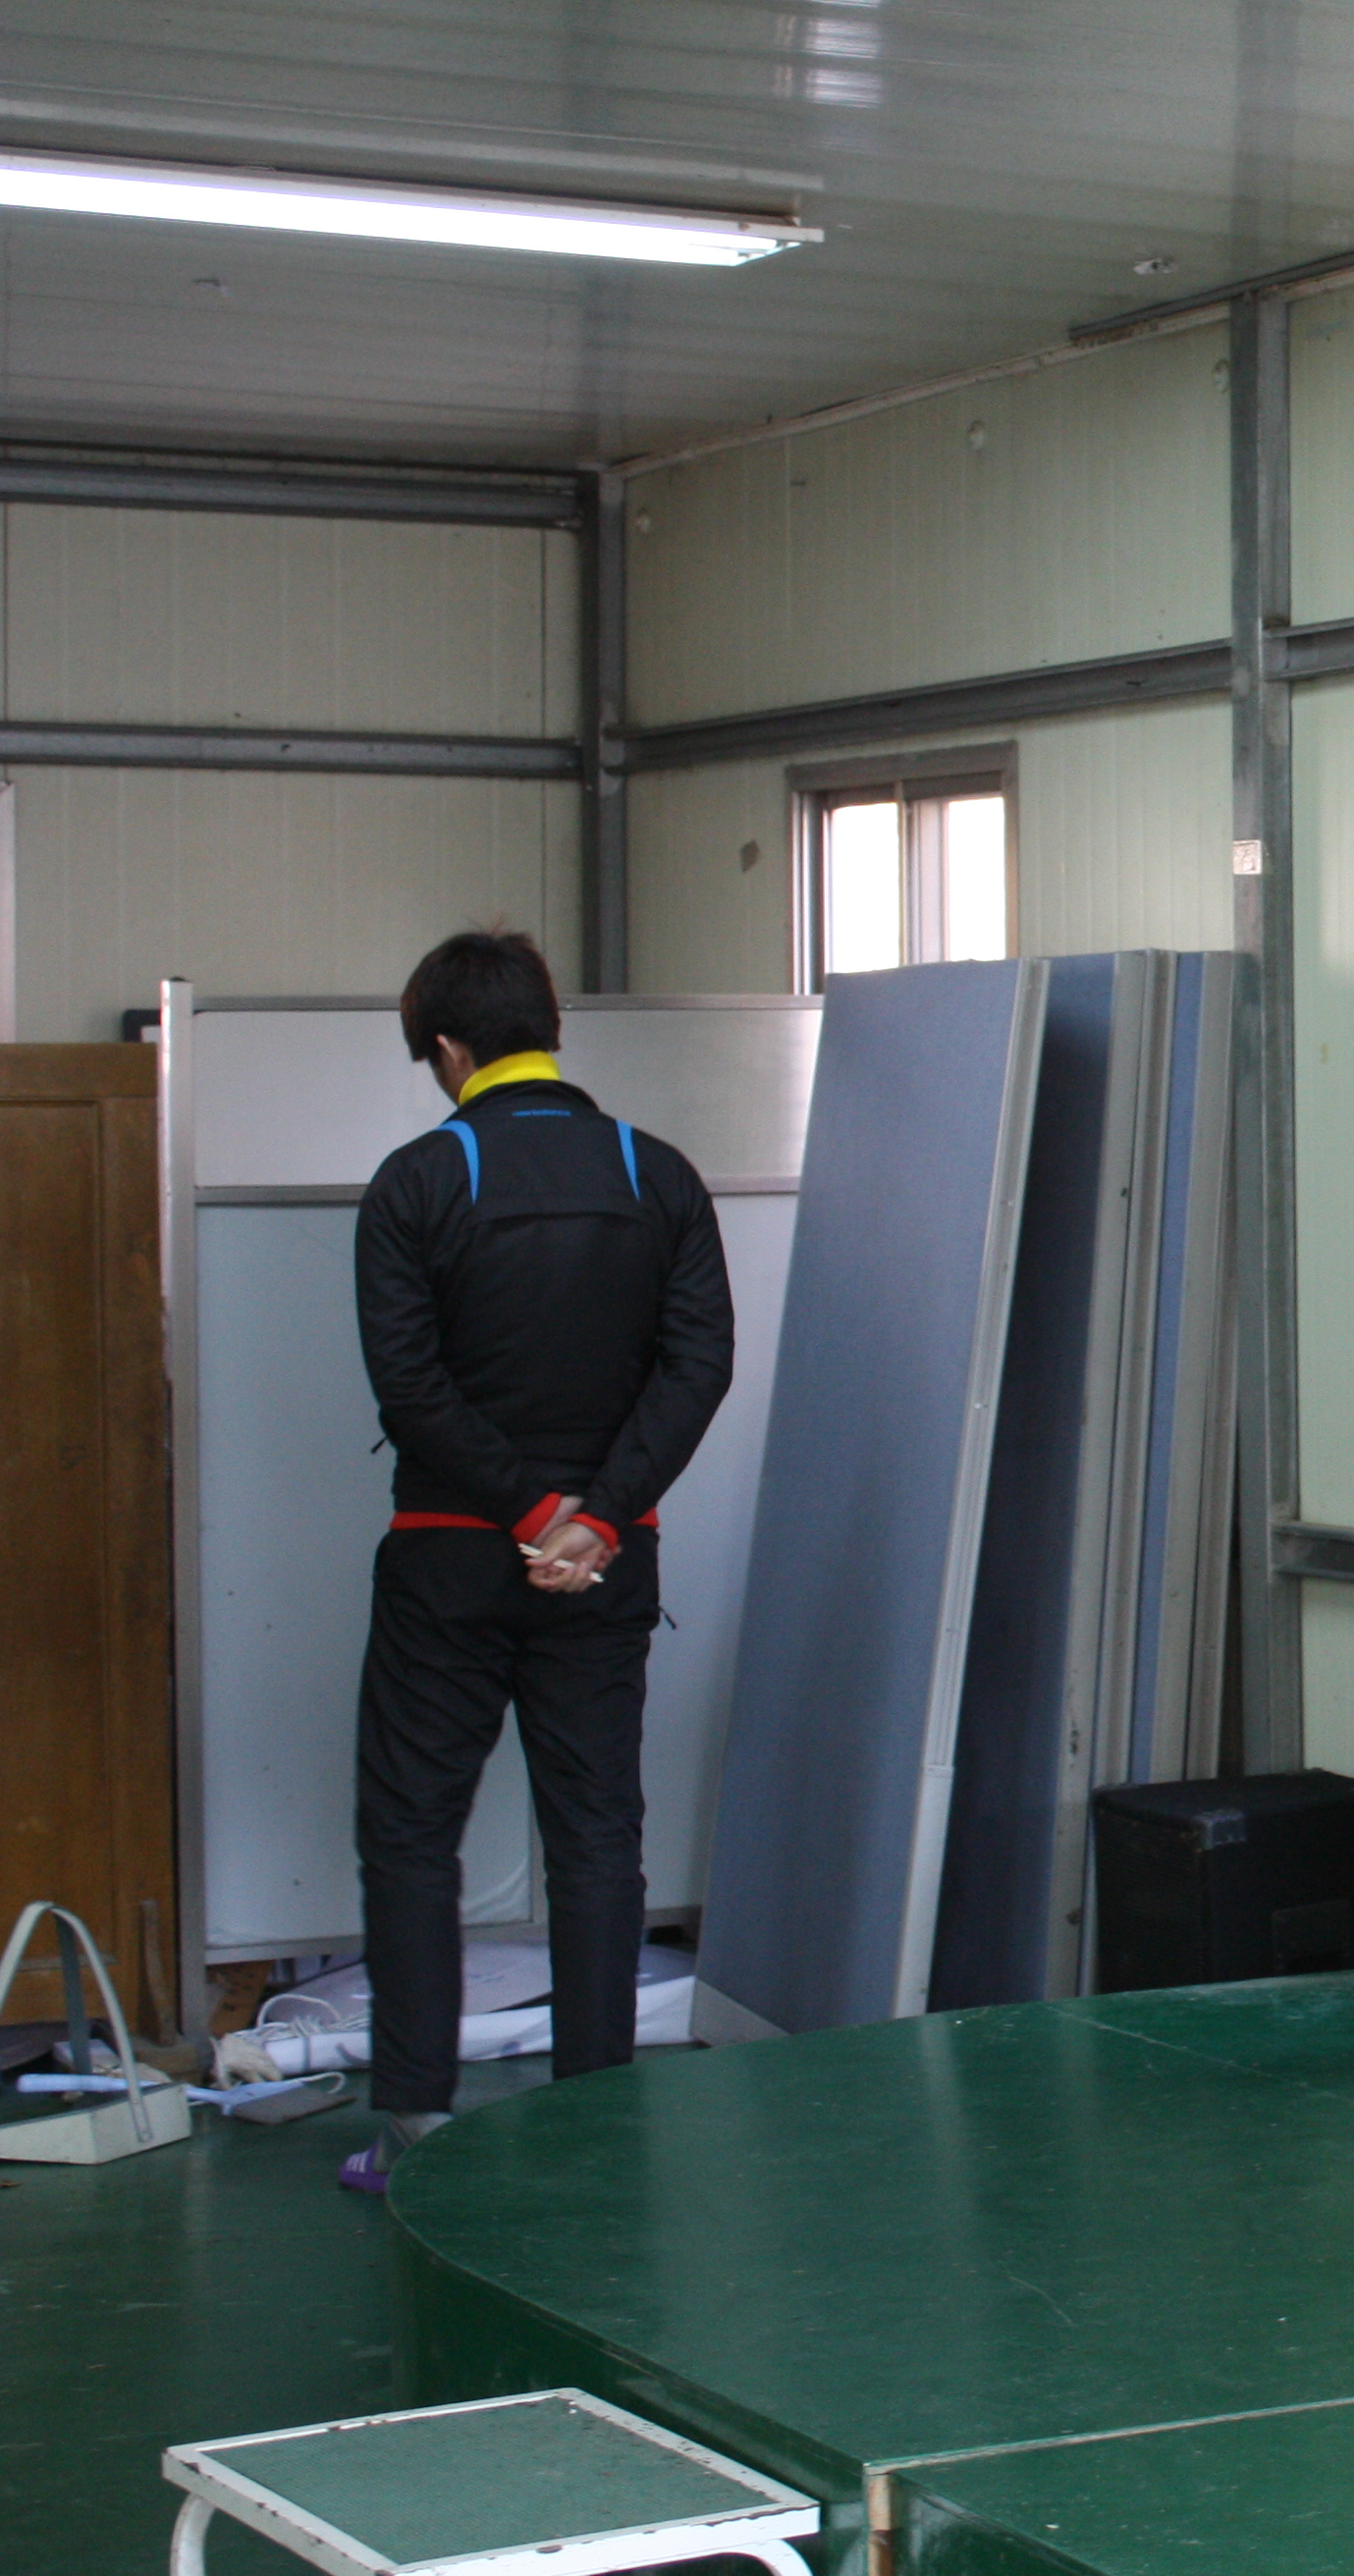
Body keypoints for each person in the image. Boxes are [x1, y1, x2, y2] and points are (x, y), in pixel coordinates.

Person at [339, 931, 733, 2194]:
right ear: (550, 1029)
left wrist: (526, 1508)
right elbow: (699, 1367)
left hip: (448, 1564)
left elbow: (410, 1388)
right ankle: (596, 2126)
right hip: (605, 1571)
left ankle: (415, 2130)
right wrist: (596, 1519)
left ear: (450, 1049)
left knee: (413, 1834)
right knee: (596, 1836)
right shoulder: (658, 1175)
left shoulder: (417, 1182)